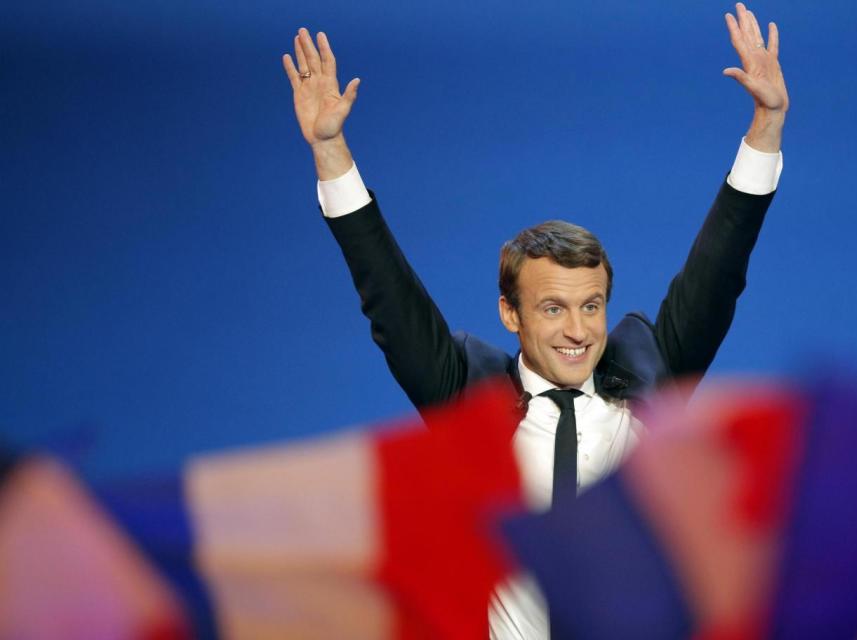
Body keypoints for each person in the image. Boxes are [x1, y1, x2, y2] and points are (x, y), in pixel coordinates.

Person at [282, 2, 788, 637]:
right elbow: (386, 294)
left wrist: (766, 125)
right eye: (552, 309)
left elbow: (719, 270)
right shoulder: (466, 397)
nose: (578, 330)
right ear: (510, 314)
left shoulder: (652, 374)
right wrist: (331, 150)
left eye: (590, 306)